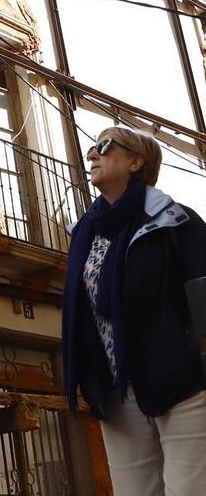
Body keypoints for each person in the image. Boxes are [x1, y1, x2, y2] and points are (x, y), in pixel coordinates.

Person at [62, 125, 206, 494]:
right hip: (115, 387)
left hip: (182, 380)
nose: (92, 154)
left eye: (104, 147)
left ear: (135, 161)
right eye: (91, 149)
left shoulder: (176, 220)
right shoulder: (84, 235)